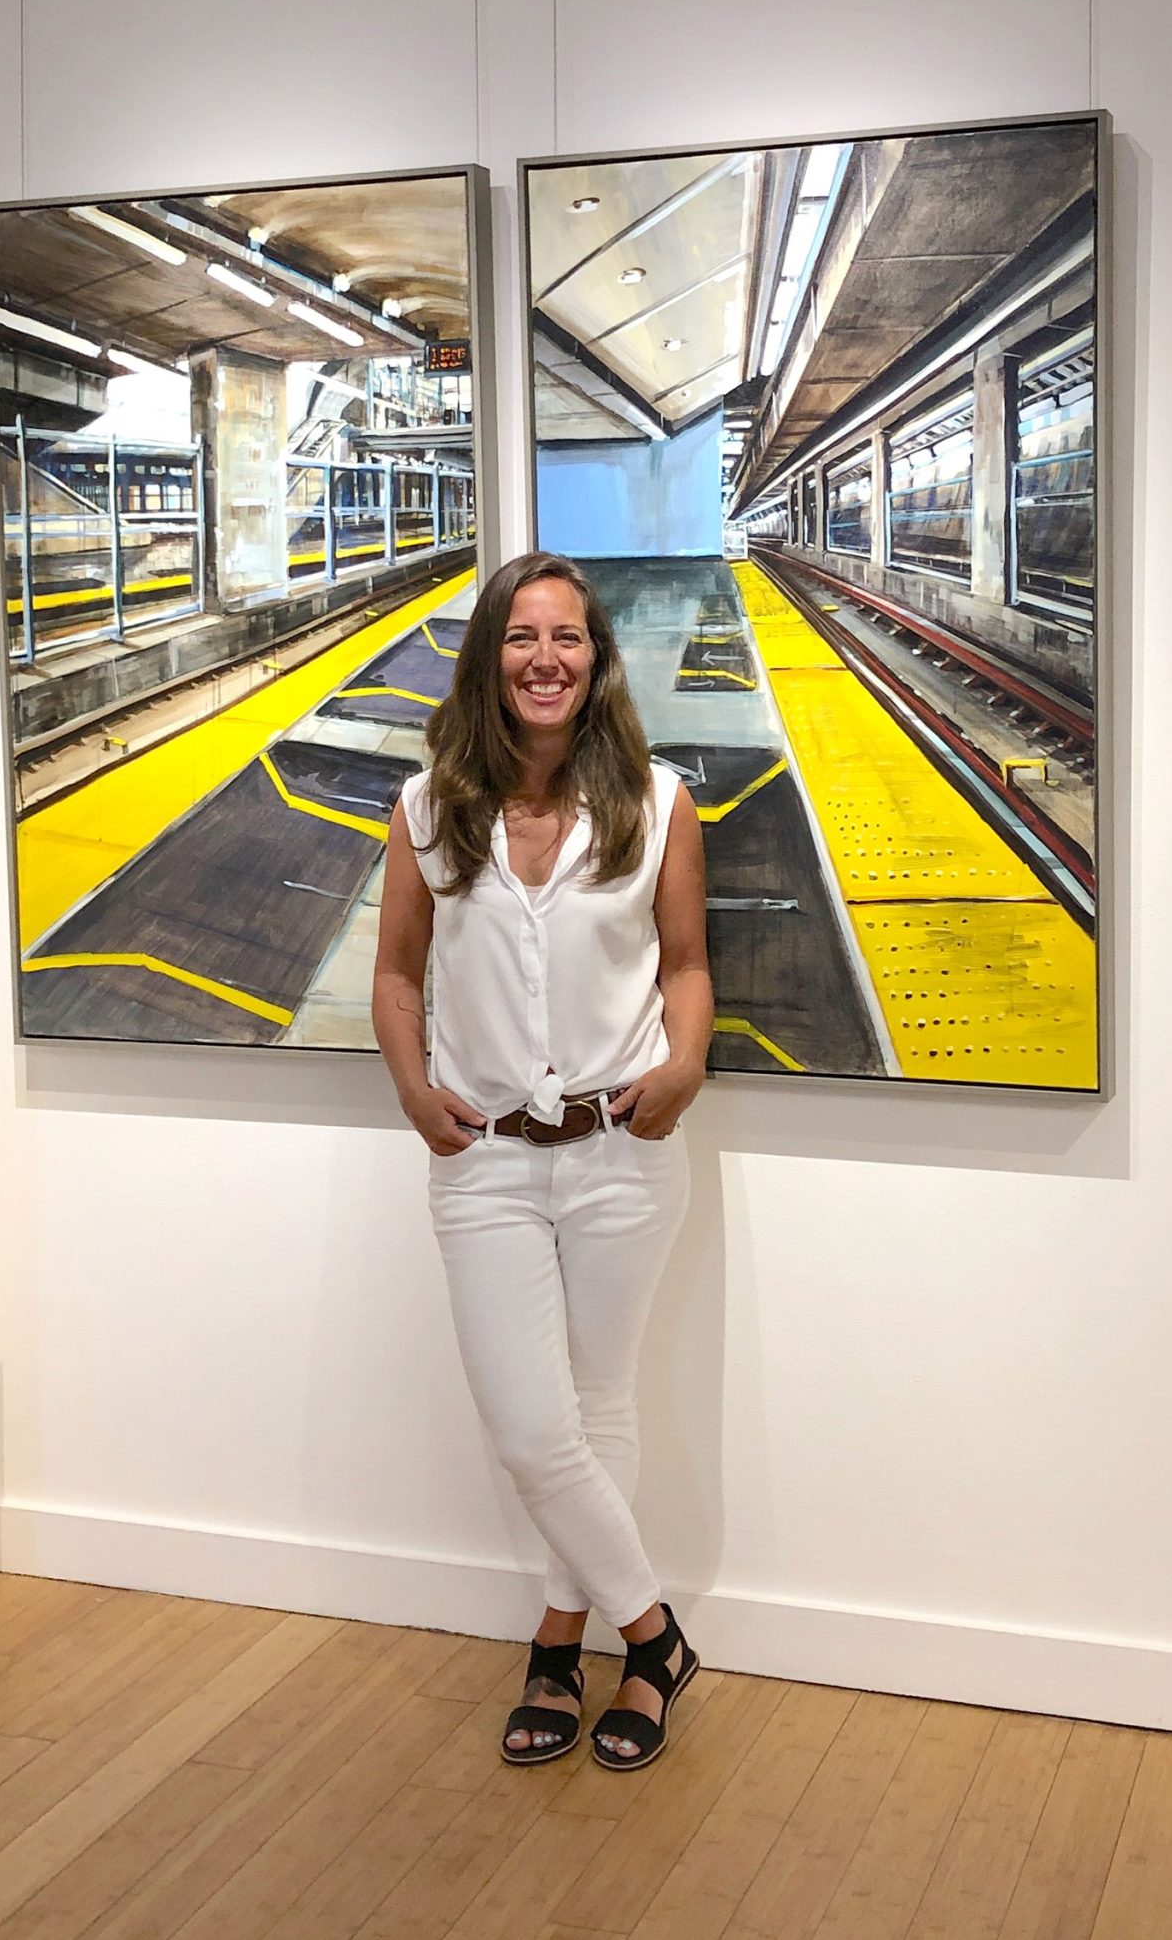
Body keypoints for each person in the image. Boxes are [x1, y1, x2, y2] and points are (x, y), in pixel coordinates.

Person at [372, 550, 711, 1769]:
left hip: (623, 1152)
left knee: (597, 1402)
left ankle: (563, 1640)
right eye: (522, 636)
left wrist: (683, 1064)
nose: (545, 658)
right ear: (489, 657)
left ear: (596, 659)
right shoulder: (427, 809)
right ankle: (657, 1635)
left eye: (567, 636)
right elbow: (398, 973)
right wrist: (414, 1087)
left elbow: (683, 964)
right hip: (484, 1161)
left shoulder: (658, 803)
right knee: (532, 1424)